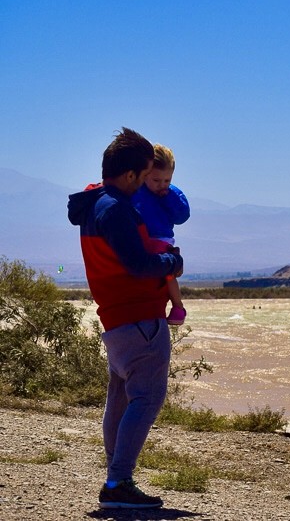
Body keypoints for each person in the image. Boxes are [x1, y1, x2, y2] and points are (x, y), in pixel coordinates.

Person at [67, 127, 184, 510]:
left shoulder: (95, 205)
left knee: (119, 400)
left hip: (115, 318)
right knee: (146, 398)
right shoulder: (116, 210)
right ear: (132, 175)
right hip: (138, 320)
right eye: (146, 174)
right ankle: (118, 482)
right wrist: (172, 261)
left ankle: (116, 476)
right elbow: (138, 264)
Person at [132, 143, 190, 325]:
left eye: (167, 181)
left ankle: (178, 307)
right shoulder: (136, 190)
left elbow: (182, 216)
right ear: (145, 174)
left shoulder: (172, 194)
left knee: (169, 274)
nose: (162, 185)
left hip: (163, 239)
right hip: (141, 239)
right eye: (156, 181)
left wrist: (169, 196)